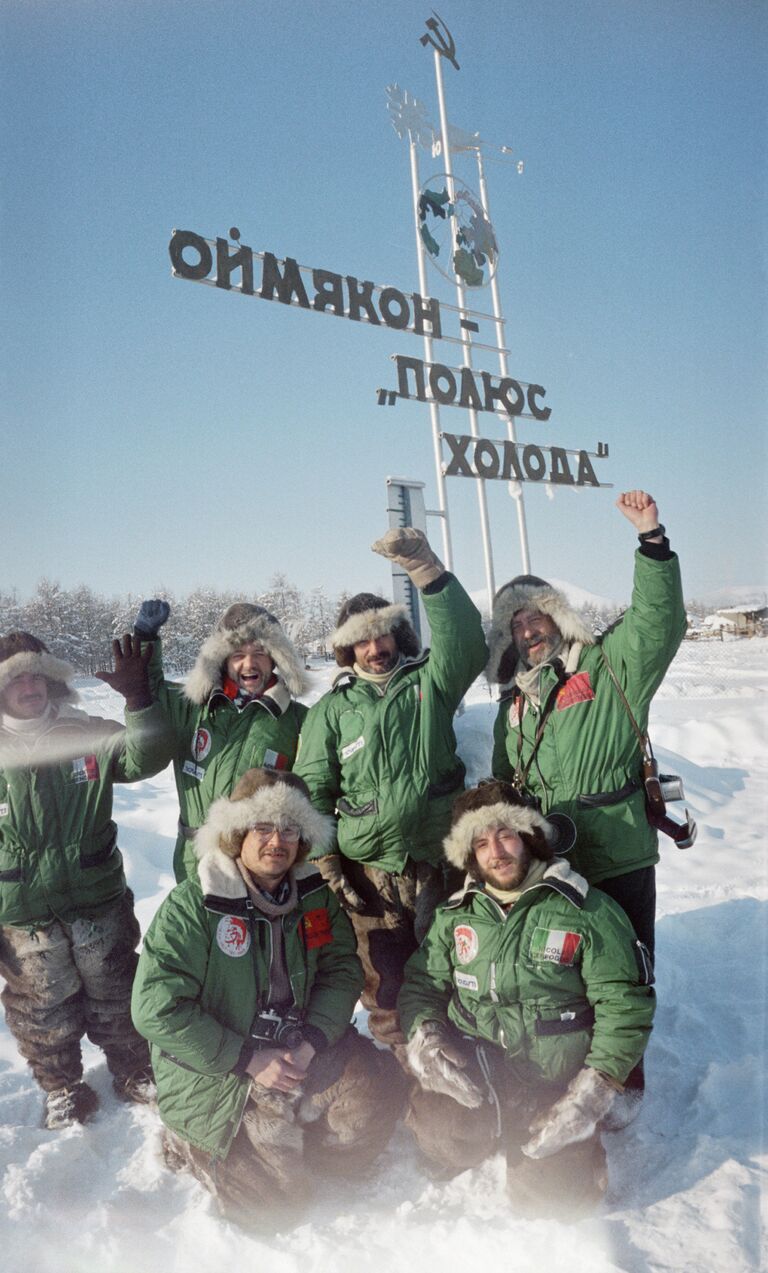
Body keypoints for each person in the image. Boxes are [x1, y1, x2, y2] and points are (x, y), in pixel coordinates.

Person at [132, 768, 403, 1229]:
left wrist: (312, 1039)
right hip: (221, 1067)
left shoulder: (314, 898)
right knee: (271, 1208)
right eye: (263, 827)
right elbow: (155, 1009)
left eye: (290, 829)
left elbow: (341, 971)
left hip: (298, 1045)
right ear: (237, 833)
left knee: (377, 1103)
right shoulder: (193, 905)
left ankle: (293, 1138)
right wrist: (249, 1059)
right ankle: (192, 1140)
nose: (276, 841)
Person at [398, 780, 655, 1218]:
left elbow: (625, 1006)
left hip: (554, 1083)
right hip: (478, 1075)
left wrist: (593, 1091)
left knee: (555, 1199)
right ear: (470, 856)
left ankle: (572, 1156)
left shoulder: (587, 911)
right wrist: (425, 1039)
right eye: (481, 843)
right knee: (441, 1136)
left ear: (530, 838)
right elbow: (422, 985)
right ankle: (478, 1131)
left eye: (506, 835)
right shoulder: (455, 917)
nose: (495, 851)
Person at [294, 527, 488, 1047]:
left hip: (437, 861)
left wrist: (425, 569)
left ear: (397, 636)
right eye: (362, 638)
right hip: (368, 876)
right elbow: (312, 789)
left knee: (448, 973)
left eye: (382, 635)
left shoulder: (431, 683)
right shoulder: (331, 712)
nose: (375, 647)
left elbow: (468, 644)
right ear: (346, 648)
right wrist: (329, 865)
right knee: (382, 984)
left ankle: (453, 1067)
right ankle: (402, 1068)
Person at [487, 490, 686, 958]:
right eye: (517, 625)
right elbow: (503, 780)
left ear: (558, 616)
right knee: (565, 977)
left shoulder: (609, 665)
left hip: (617, 857)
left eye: (536, 617)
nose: (529, 631)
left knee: (627, 969)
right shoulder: (513, 700)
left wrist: (651, 539)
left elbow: (658, 624)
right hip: (549, 865)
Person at [0, 630, 172, 1129]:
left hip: (95, 895)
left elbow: (148, 755)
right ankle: (61, 1086)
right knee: (40, 1005)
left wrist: (139, 701)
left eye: (38, 675)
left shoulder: (85, 729)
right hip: (24, 910)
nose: (30, 685)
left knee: (116, 986)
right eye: (17, 678)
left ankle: (135, 1069)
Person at [133, 598, 309, 882]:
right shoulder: (193, 707)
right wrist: (145, 638)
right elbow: (149, 691)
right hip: (194, 863)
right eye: (237, 653)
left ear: (276, 658)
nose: (249, 663)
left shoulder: (297, 719)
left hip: (261, 869)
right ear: (223, 659)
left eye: (260, 652)